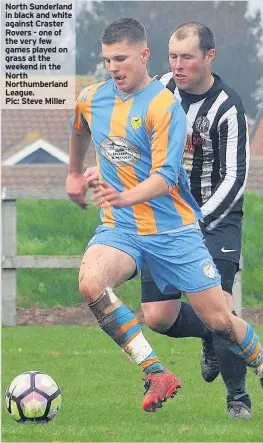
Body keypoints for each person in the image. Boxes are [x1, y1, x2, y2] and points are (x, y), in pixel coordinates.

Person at [66, 17, 263, 414]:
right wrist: (75, 171)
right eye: (107, 61)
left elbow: (167, 176)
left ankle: (246, 381)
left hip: (177, 229)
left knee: (221, 320)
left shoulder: (167, 105)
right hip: (121, 228)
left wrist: (126, 195)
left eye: (120, 58)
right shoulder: (94, 97)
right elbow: (82, 127)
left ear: (142, 55)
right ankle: (156, 372)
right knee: (93, 285)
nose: (114, 68)